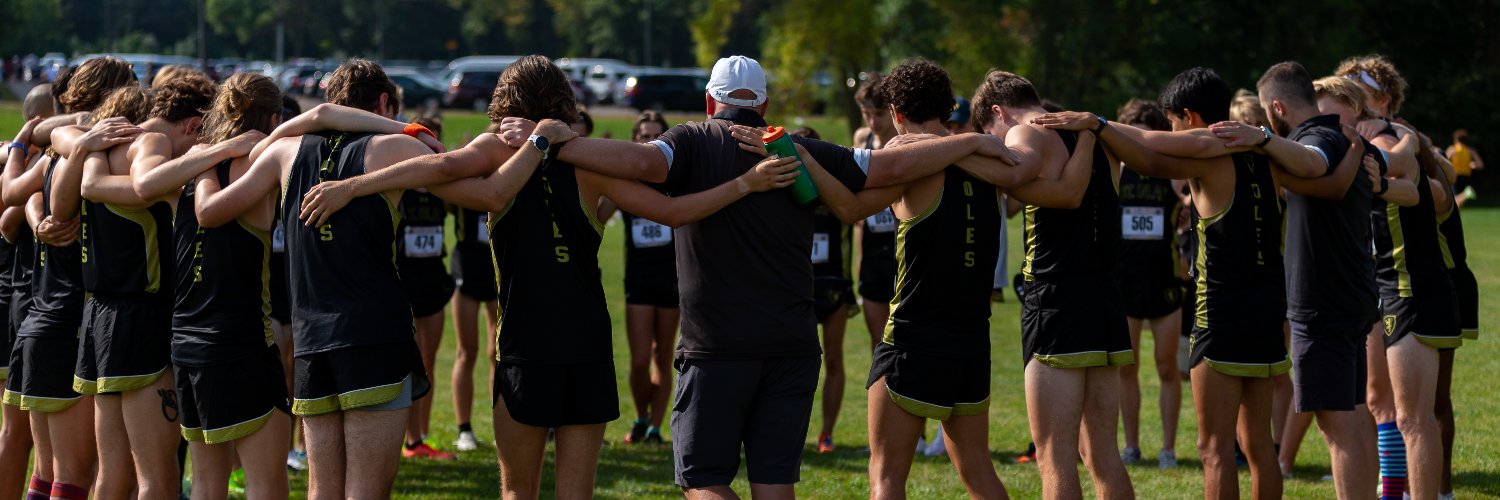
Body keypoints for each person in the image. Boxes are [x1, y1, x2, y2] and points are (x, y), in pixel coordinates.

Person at [490, 55, 1021, 499]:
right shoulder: (795, 146)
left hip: (716, 348)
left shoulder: (692, 141)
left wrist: (553, 142)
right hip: (792, 345)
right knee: (774, 486)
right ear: (763, 105)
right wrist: (967, 141)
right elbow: (885, 170)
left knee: (704, 481)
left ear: (708, 101)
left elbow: (641, 162)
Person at [287, 54, 807, 499]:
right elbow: (673, 212)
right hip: (586, 344)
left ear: (506, 102)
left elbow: (440, 168)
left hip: (523, 347)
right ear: (560, 102)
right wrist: (743, 184)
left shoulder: (496, 150)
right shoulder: (588, 163)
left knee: (518, 492)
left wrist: (354, 185)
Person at [1036, 65, 1369, 500]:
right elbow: (1332, 185)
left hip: (1222, 314)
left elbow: (1150, 156)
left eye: (1173, 121)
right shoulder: (1270, 154)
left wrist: (1096, 125)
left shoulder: (1206, 151)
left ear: (1189, 117)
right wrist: (1354, 153)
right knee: (1258, 448)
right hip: (1268, 313)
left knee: (1213, 449)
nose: (1172, 129)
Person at [777, 58, 1073, 498]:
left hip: (914, 339)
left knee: (886, 477)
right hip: (972, 341)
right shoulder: (986, 161)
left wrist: (804, 159)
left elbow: (850, 209)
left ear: (896, 113)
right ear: (947, 106)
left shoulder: (912, 160)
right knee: (978, 470)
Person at [193, 58, 441, 499]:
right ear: (384, 103)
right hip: (374, 336)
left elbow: (211, 212)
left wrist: (208, 162)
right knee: (366, 489)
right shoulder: (393, 147)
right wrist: (396, 131)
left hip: (311, 342)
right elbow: (445, 160)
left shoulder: (282, 150)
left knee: (321, 489)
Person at [1213, 61, 1380, 500]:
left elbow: (1312, 163)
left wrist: (1263, 139)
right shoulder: (1346, 137)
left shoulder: (1318, 139)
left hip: (1323, 302)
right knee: (1355, 418)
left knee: (1336, 427)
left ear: (1276, 107)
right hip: (1350, 294)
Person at [969, 69, 1133, 499]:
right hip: (1106, 299)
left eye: (991, 131)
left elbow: (1017, 174)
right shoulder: (1093, 135)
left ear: (998, 112)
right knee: (1102, 453)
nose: (996, 139)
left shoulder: (1025, 132)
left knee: (1054, 455)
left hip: (1057, 300)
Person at [5, 56, 138, 500]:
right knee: (75, 477)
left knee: (47, 475)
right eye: (132, 87)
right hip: (69, 324)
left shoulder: (57, 152)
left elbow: (9, 198)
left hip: (38, 321)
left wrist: (35, 207)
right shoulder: (92, 155)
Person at [1331, 57, 1456, 500]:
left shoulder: (1392, 136)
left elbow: (1437, 191)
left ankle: (1429, 492)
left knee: (1414, 415)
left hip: (1410, 286)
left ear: (1381, 100)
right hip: (1374, 286)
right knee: (1377, 402)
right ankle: (1393, 490)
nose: (1341, 98)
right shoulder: (1353, 138)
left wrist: (1404, 140)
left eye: (1351, 90)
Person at [163, 73, 293, 500]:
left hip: (186, 346)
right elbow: (209, 213)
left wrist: (204, 156)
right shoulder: (257, 166)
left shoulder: (190, 167)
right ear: (273, 117)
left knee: (205, 484)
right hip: (240, 345)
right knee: (267, 485)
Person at [1109, 98, 1184, 470]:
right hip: (1124, 281)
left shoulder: (1169, 168)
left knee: (1168, 367)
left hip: (1165, 280)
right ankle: (1132, 445)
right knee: (1127, 368)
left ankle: (1168, 449)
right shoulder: (1117, 169)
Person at [0, 83, 57, 500]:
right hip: (24, 299)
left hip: (24, 301)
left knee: (27, 433)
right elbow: (8, 221)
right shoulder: (32, 162)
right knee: (23, 432)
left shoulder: (14, 157)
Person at [789, 126, 857, 455]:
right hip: (795, 286)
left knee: (833, 358)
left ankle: (826, 434)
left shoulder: (835, 185)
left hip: (833, 285)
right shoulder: (785, 182)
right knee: (794, 363)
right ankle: (791, 432)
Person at [394, 115, 457, 461]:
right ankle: (408, 436)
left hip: (434, 280)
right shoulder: (400, 185)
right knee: (411, 362)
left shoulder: (440, 189)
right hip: (405, 283)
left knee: (430, 361)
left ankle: (422, 437)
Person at [617, 110, 680, 446]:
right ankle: (641, 416)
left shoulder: (674, 182)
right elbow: (596, 216)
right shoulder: (626, 183)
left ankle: (656, 427)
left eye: (656, 135)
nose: (649, 141)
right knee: (640, 359)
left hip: (671, 281)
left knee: (663, 355)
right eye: (643, 136)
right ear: (634, 140)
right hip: (638, 282)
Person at [447, 125, 499, 454]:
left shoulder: (511, 179)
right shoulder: (467, 180)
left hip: (499, 270)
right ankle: (464, 428)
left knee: (499, 353)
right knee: (467, 351)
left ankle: (501, 424)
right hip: (467, 267)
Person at [1445, 129, 1481, 205]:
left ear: (1455, 139)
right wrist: (1472, 165)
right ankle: (1465, 194)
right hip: (1466, 177)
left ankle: (1466, 194)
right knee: (1460, 201)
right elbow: (1480, 164)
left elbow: (1444, 161)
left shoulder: (1452, 149)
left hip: (1454, 176)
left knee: (1454, 201)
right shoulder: (1470, 151)